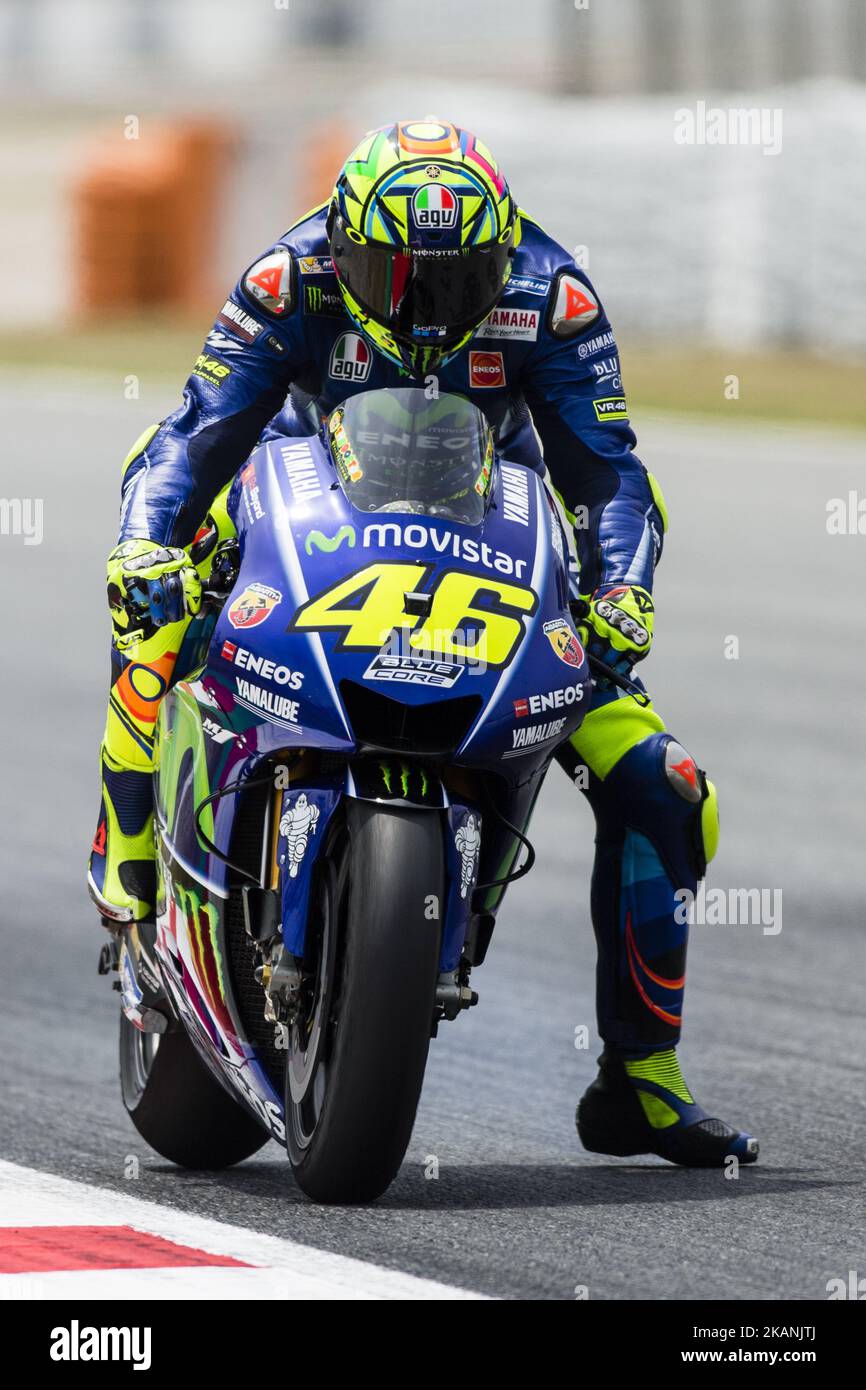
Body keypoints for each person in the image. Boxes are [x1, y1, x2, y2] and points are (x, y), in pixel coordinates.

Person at [89, 119, 758, 1168]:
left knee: (662, 785)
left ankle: (638, 1077)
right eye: (392, 274)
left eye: (456, 279)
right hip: (296, 513)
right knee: (157, 593)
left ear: (501, 253)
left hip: (480, 539)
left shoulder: (553, 295)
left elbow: (609, 473)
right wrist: (144, 546)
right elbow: (192, 437)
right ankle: (126, 849)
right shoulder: (287, 281)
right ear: (342, 246)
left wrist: (621, 587)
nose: (423, 305)